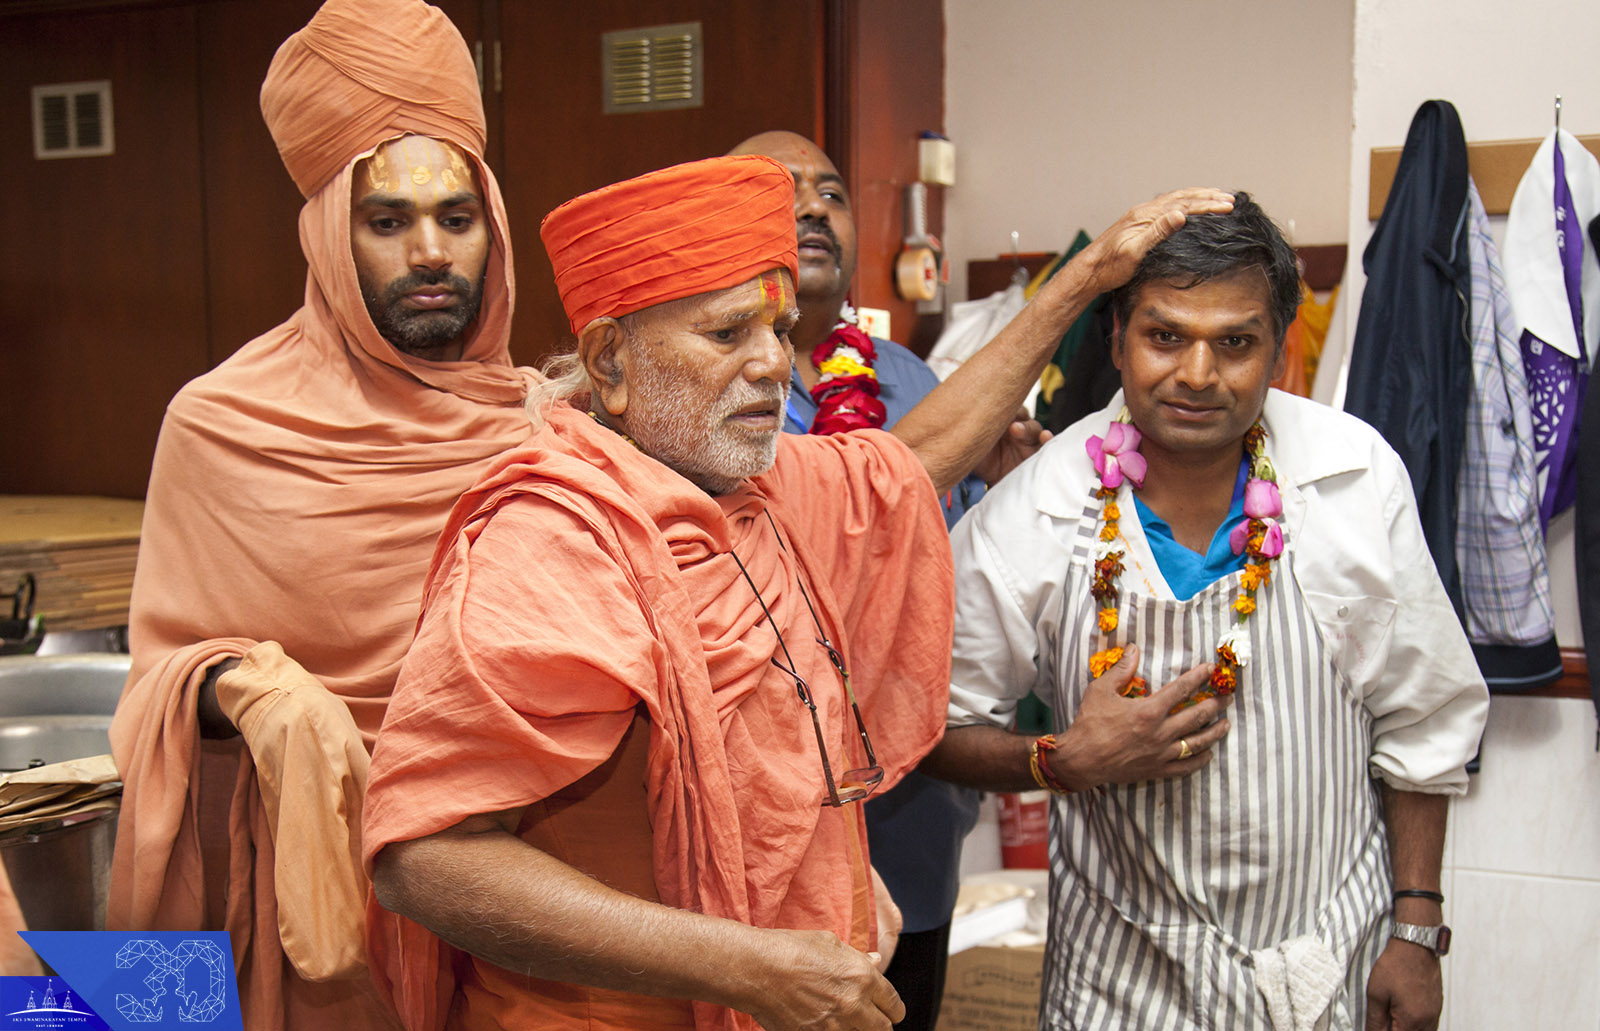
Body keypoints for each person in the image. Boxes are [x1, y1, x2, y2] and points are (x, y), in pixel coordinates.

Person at [360, 155, 1231, 1031]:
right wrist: (748, 962)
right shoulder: (552, 543)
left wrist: (1081, 282)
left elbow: (912, 460)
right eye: (727, 333)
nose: (774, 363)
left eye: (777, 329)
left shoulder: (750, 495)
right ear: (611, 362)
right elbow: (424, 855)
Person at [921, 193, 1489, 1031]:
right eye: (1165, 336)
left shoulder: (1352, 476)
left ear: (1277, 351)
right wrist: (1059, 759)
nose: (1196, 373)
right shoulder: (1035, 508)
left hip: (1323, 966)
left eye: (1234, 342)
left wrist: (1416, 929)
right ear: (1116, 341)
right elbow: (929, 723)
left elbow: (1422, 720)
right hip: (1119, 984)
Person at [106, 2, 536, 1028]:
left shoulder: (540, 424)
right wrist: (248, 689)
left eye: (456, 217)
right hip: (303, 940)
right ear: (328, 234)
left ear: (495, 228)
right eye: (386, 221)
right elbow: (155, 685)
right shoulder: (222, 422)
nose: (431, 251)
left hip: (514, 910)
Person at [727, 129, 1006, 1031]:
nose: (812, 207)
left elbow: (944, 573)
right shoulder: (706, 381)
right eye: (778, 189)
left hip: (912, 828)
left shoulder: (911, 379)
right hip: (764, 849)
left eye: (832, 193)